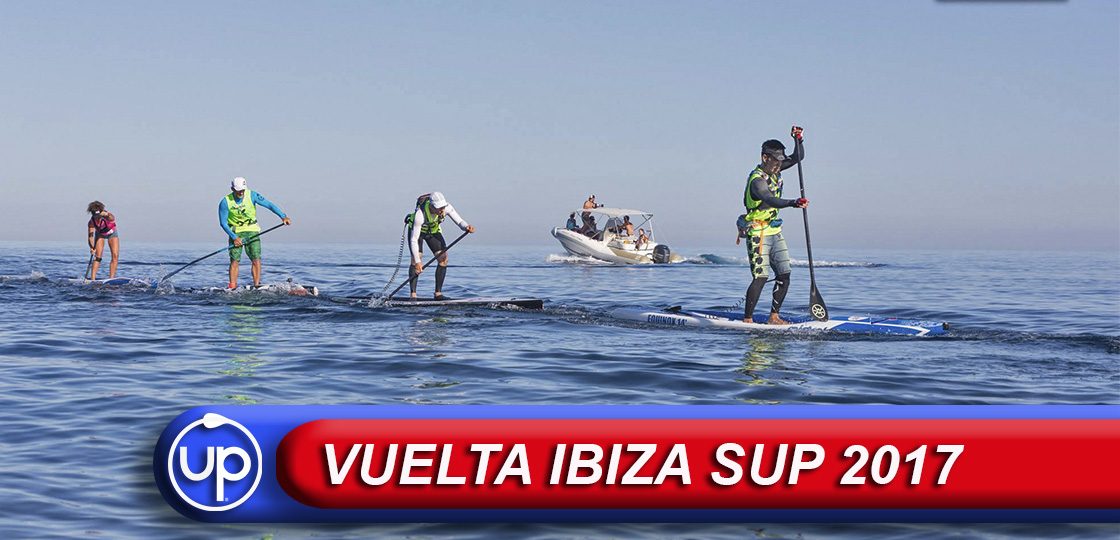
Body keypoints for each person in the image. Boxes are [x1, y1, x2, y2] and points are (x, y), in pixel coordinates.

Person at [741, 126, 809, 325]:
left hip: (774, 230)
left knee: (784, 274)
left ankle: (774, 316)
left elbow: (798, 157)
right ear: (765, 158)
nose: (780, 165)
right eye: (776, 160)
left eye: (781, 160)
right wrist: (793, 202)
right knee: (761, 277)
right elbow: (769, 199)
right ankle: (747, 319)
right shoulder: (757, 181)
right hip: (757, 232)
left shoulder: (775, 167)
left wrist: (798, 139)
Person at [219, 176, 291, 289]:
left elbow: (269, 205)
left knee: (256, 259)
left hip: (252, 231)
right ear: (232, 189)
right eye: (238, 191)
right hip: (236, 234)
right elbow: (223, 223)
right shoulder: (225, 202)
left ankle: (256, 285)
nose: (241, 193)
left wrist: (283, 216)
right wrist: (234, 237)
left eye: (243, 190)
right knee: (234, 261)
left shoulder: (252, 195)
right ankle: (232, 286)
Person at [406, 191, 475, 300]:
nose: (441, 210)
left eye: (443, 207)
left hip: (433, 232)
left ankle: (438, 294)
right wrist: (418, 262)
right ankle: (413, 295)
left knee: (443, 259)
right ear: (432, 206)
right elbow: (414, 240)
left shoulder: (447, 208)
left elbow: (460, 221)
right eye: (439, 208)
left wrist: (467, 227)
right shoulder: (420, 215)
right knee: (416, 259)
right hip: (417, 234)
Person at [86, 201, 119, 279]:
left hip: (112, 233)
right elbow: (90, 237)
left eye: (98, 215)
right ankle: (92, 279)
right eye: (95, 216)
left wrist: (107, 214)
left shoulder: (107, 216)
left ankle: (111, 278)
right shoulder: (91, 222)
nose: (97, 218)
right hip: (100, 234)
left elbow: (112, 218)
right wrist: (92, 247)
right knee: (98, 256)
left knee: (115, 255)